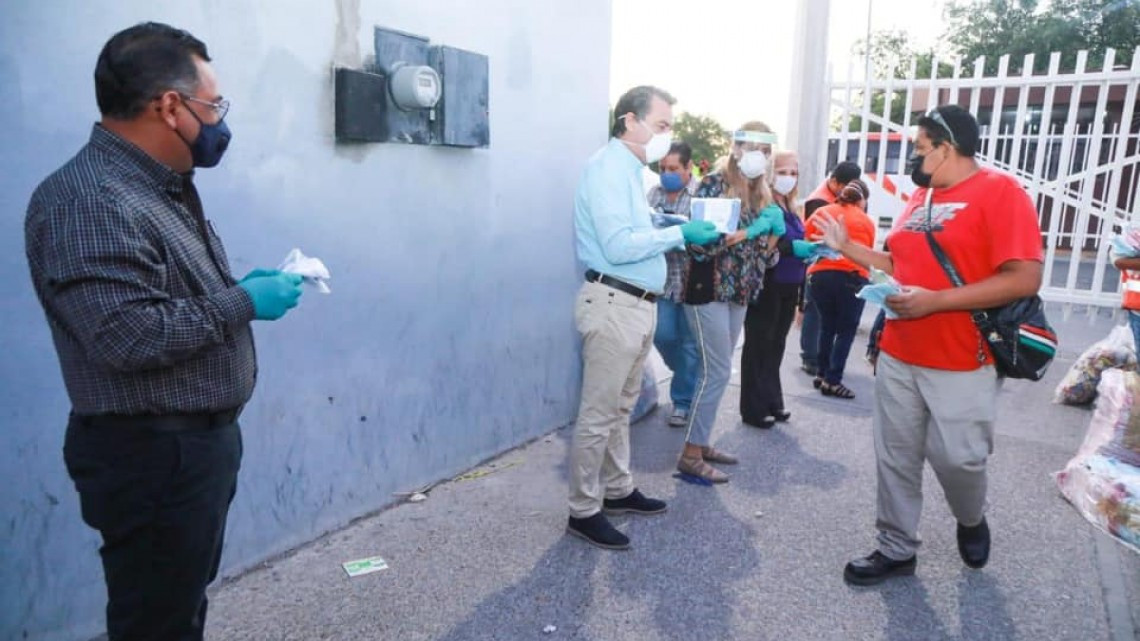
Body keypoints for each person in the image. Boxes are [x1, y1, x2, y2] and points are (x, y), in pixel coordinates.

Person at [24, 23, 306, 640]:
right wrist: (241, 303)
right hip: (153, 456)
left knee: (175, 608)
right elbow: (126, 335)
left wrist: (236, 289)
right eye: (214, 106)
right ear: (170, 106)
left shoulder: (154, 188)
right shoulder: (91, 200)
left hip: (187, 450)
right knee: (155, 621)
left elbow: (159, 298)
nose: (220, 122)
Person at [814, 105, 1044, 585]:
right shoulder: (920, 197)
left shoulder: (1000, 193)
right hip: (899, 351)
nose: (913, 156)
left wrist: (937, 301)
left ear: (946, 147)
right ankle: (896, 547)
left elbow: (1024, 277)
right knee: (895, 455)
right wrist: (846, 248)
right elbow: (900, 261)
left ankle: (970, 517)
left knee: (958, 457)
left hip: (963, 357)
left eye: (920, 148)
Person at [569, 85, 720, 550]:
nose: (666, 135)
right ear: (629, 122)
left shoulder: (631, 173)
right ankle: (582, 510)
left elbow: (634, 228)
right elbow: (617, 246)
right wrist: (677, 238)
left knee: (621, 408)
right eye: (661, 125)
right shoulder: (607, 170)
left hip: (635, 304)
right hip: (614, 303)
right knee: (598, 414)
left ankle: (617, 491)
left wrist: (668, 224)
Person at [678, 123, 783, 482]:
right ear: (736, 148)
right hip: (707, 289)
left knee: (716, 372)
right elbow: (698, 245)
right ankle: (691, 454)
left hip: (742, 293)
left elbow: (765, 258)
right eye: (752, 146)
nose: (759, 155)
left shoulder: (762, 195)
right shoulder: (712, 184)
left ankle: (701, 439)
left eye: (765, 150)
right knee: (717, 371)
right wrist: (738, 236)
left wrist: (771, 241)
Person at [740, 150, 814, 427]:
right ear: (770, 173)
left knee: (776, 346)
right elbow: (760, 242)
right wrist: (791, 248)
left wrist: (811, 251)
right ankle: (753, 408)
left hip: (789, 283)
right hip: (768, 281)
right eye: (783, 171)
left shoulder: (791, 206)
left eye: (794, 172)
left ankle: (772, 400)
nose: (789, 177)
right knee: (759, 345)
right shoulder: (763, 203)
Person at [646, 141, 702, 428]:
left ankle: (681, 401)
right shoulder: (653, 193)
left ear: (688, 168)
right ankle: (685, 373)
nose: (666, 174)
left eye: (673, 169)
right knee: (663, 336)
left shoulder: (701, 195)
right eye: (662, 168)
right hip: (662, 282)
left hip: (692, 282)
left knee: (691, 345)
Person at [805, 179, 875, 400]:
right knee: (845, 330)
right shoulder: (867, 221)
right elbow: (866, 254)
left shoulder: (822, 212)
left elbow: (807, 238)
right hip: (852, 278)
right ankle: (833, 381)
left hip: (820, 274)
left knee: (827, 326)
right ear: (862, 200)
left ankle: (822, 373)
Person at [800, 161, 862, 375]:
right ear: (834, 181)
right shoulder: (818, 200)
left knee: (825, 319)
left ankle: (820, 362)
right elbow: (808, 235)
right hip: (820, 262)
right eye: (844, 186)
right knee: (815, 313)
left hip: (837, 264)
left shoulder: (843, 201)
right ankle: (810, 357)